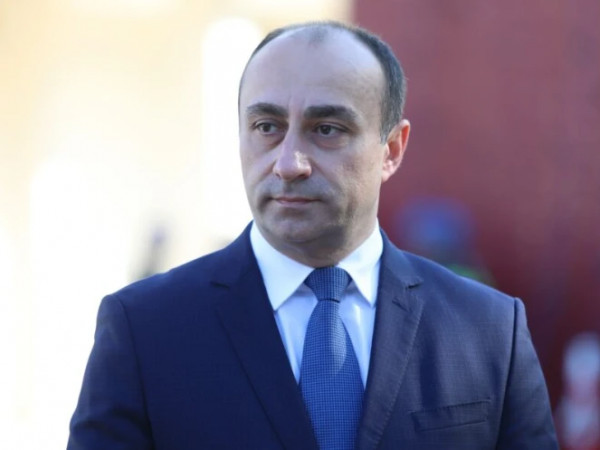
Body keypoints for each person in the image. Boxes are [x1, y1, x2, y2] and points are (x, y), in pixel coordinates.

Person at [68, 21, 558, 449]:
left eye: (326, 129)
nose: (288, 163)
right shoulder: (144, 329)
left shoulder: (489, 331)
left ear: (391, 149)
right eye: (266, 126)